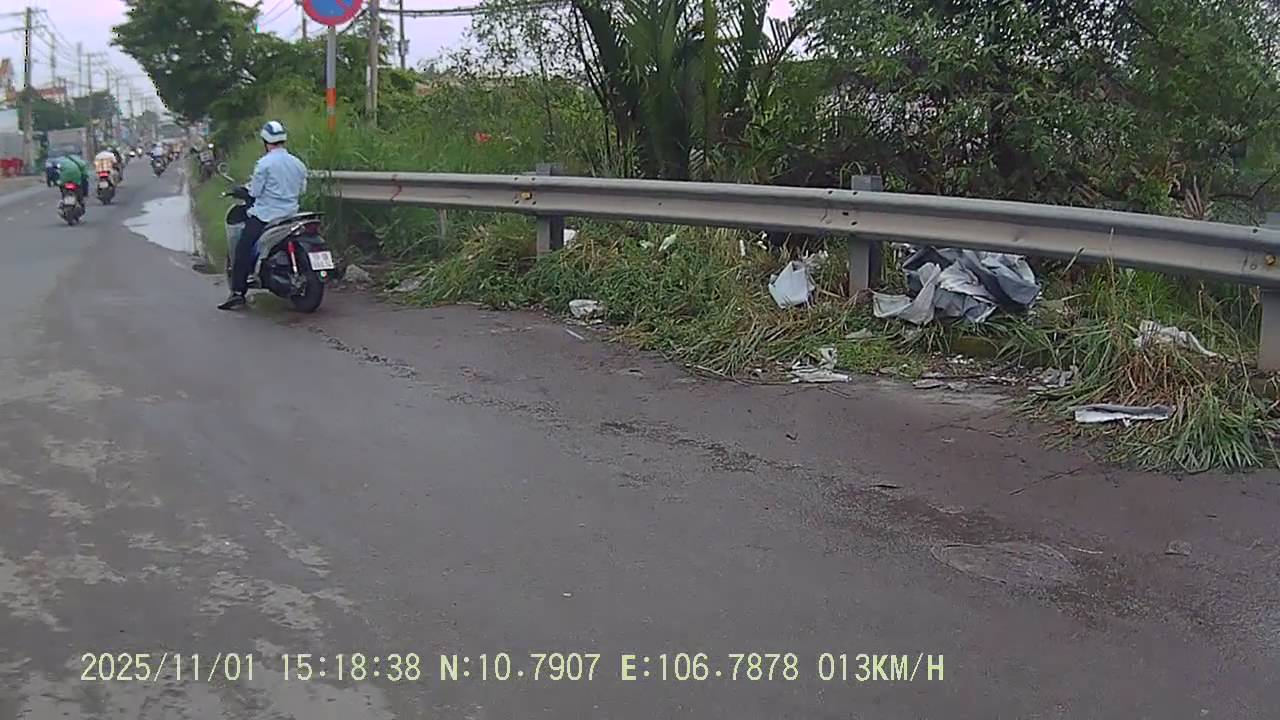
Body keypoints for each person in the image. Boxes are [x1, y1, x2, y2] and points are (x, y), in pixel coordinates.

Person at [218, 120, 308, 310]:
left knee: (243, 247)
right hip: (291, 214)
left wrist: (244, 191)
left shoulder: (264, 164)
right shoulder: (298, 163)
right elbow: (302, 189)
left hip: (267, 215)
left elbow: (255, 192)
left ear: (265, 142)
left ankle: (237, 292)